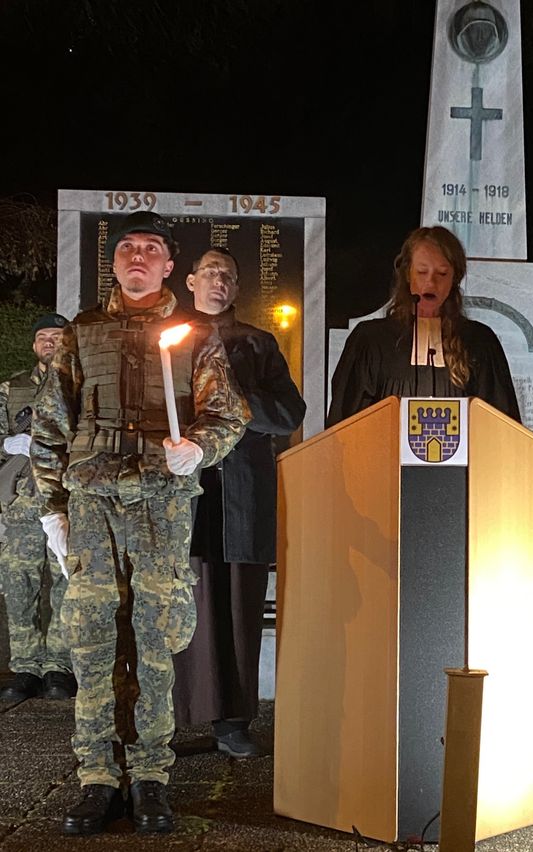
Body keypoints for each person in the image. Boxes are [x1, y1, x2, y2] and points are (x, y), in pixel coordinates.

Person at [30, 211, 250, 836]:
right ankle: (97, 778)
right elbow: (50, 428)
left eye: (151, 249)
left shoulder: (192, 335)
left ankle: (151, 776)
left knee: (154, 642)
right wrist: (52, 510)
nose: (138, 257)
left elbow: (227, 415)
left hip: (161, 503)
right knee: (93, 641)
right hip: (94, 503)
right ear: (116, 261)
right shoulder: (82, 333)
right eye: (128, 247)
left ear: (167, 264)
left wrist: (198, 448)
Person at [172, 247, 306, 756]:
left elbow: (288, 414)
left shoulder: (258, 343)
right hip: (186, 494)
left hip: (242, 494)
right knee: (187, 606)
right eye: (210, 272)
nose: (219, 282)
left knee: (238, 609)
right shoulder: (169, 340)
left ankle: (232, 723)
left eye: (228, 275)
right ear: (190, 281)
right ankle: (175, 717)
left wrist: (237, 403)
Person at [326, 225, 520, 426]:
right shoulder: (370, 341)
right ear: (408, 274)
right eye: (422, 271)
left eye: (442, 273)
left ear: (455, 279)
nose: (431, 282)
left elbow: (503, 427)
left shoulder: (479, 341)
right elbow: (343, 427)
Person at [0, 313, 76, 702]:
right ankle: (26, 666)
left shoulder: (79, 385)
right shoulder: (11, 390)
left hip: (66, 498)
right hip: (21, 503)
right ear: (34, 345)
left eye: (57, 336)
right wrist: (8, 444)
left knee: (65, 581)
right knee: (19, 584)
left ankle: (58, 667)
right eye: (43, 337)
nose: (49, 342)